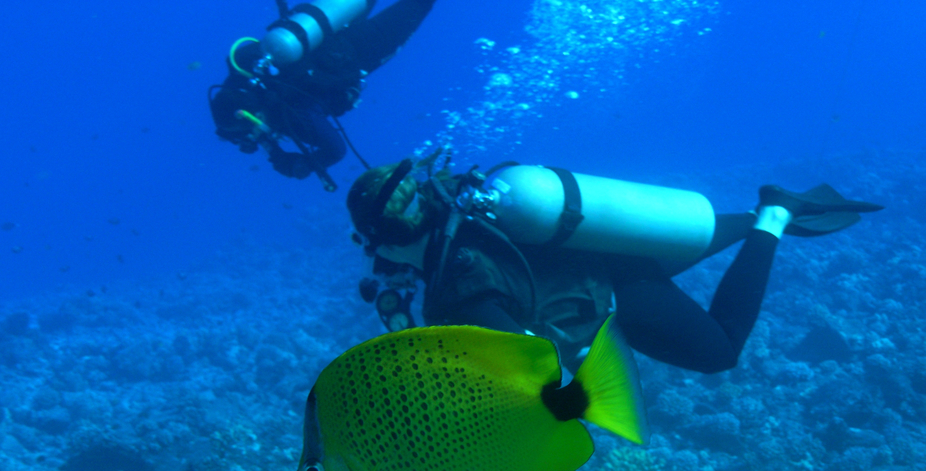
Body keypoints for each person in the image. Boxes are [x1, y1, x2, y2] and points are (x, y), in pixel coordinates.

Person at [346, 155, 884, 374]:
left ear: (385, 241)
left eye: (368, 245)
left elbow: (537, 367)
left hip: (613, 290)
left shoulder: (455, 286)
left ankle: (773, 214)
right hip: (615, 244)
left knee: (719, 352)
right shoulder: (466, 210)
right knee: (688, 241)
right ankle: (759, 213)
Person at [209, 0, 437, 190]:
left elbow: (336, 150)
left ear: (254, 117)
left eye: (249, 133)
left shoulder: (293, 116)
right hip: (326, 24)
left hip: (361, 51)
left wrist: (305, 164)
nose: (256, 138)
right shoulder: (247, 76)